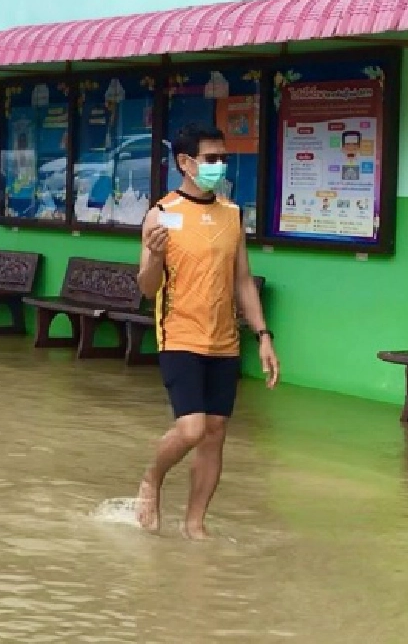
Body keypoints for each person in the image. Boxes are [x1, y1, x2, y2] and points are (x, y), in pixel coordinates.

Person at [134, 123, 280, 540]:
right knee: (192, 429)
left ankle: (195, 525)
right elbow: (147, 288)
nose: (219, 165)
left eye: (223, 158)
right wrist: (155, 258)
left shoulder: (232, 214)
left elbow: (243, 280)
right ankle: (152, 478)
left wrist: (263, 336)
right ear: (186, 163)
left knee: (215, 435)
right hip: (179, 336)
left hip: (225, 341)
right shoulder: (161, 215)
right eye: (211, 158)